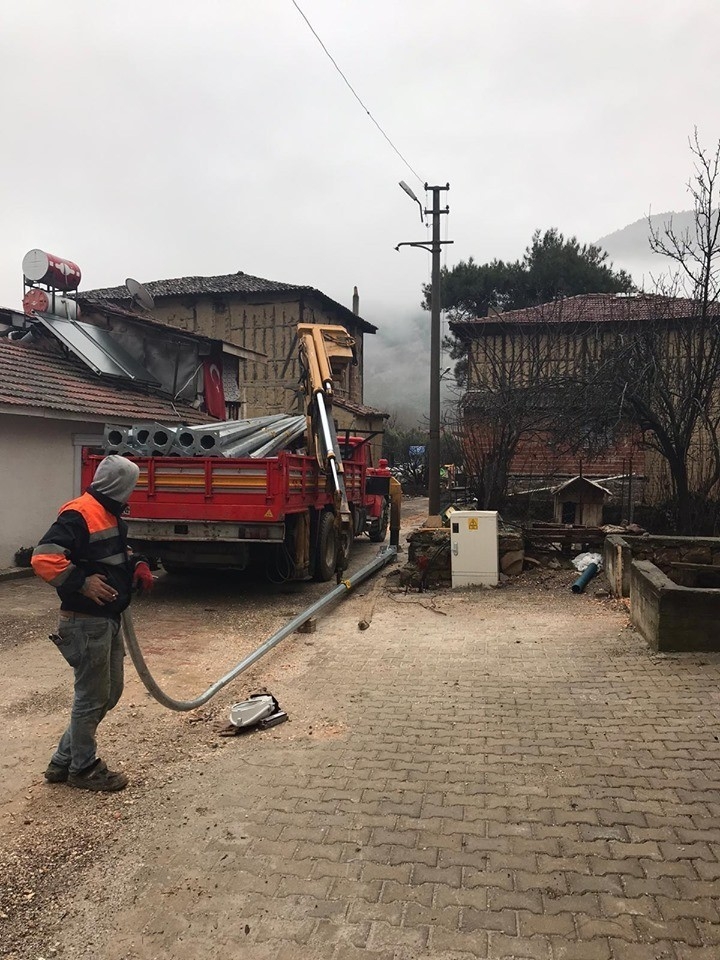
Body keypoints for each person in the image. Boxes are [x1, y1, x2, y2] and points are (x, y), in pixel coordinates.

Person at [31, 455, 154, 792]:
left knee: (108, 694)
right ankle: (83, 768)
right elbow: (43, 558)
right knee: (90, 698)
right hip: (85, 623)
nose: (133, 491)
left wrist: (139, 564)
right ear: (120, 485)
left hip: (105, 620)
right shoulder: (79, 513)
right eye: (132, 485)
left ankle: (61, 761)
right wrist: (82, 582)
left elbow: (114, 553)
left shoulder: (108, 513)